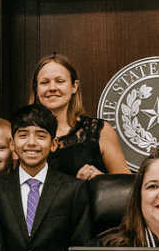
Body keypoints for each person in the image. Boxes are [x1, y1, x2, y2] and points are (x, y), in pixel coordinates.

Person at [0, 104, 92, 251]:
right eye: (23, 135)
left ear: (54, 144)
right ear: (12, 144)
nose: (31, 143)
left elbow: (81, 249)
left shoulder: (73, 189)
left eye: (41, 136)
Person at [29, 53, 130, 181]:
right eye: (44, 82)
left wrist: (102, 181)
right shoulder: (23, 135)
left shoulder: (100, 131)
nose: (52, 88)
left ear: (74, 86)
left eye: (60, 81)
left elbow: (127, 187)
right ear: (36, 89)